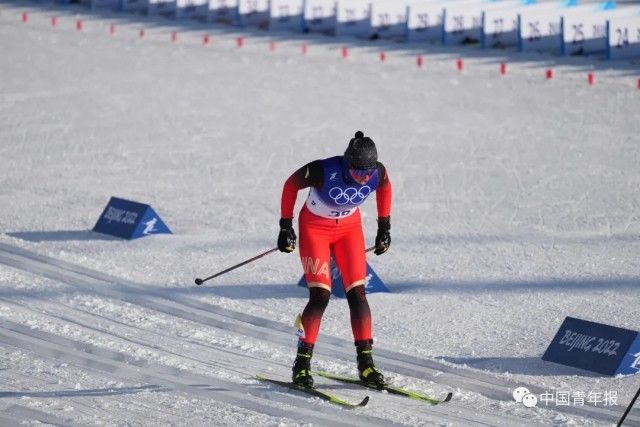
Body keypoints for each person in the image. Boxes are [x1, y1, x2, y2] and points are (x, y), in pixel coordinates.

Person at [277, 130, 392, 388]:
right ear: (346, 163)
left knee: (358, 294)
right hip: (315, 229)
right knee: (320, 296)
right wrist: (286, 225)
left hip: (348, 230)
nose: (363, 179)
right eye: (357, 173)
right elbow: (290, 184)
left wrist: (384, 226)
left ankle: (366, 365)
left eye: (367, 174)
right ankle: (302, 365)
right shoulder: (323, 169)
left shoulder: (377, 173)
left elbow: (384, 186)